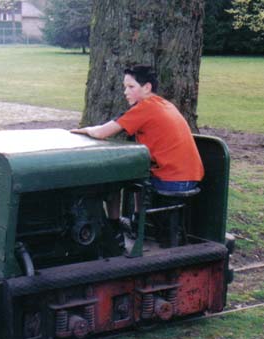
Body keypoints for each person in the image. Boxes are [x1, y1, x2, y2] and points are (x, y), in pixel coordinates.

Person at [71, 65, 204, 234]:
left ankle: (114, 226)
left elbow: (101, 133)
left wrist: (83, 130)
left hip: (174, 179)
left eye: (131, 87)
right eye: (125, 87)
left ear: (147, 87)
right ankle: (137, 221)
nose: (125, 92)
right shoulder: (161, 103)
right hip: (189, 176)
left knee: (112, 180)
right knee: (138, 174)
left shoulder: (145, 108)